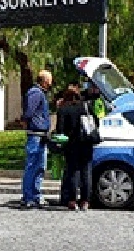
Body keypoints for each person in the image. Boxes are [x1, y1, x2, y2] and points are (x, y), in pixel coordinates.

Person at [56, 85, 94, 211]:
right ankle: (85, 201)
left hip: (71, 145)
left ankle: (72, 200)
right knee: (86, 173)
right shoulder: (86, 106)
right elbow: (95, 123)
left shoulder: (64, 109)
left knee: (72, 172)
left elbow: (60, 130)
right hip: (87, 143)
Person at [19, 70, 53, 209]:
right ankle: (28, 196)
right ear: (44, 81)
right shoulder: (35, 93)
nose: (50, 85)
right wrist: (26, 121)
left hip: (41, 135)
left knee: (40, 167)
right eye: (49, 82)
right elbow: (29, 112)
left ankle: (36, 194)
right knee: (32, 166)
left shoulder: (40, 93)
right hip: (35, 134)